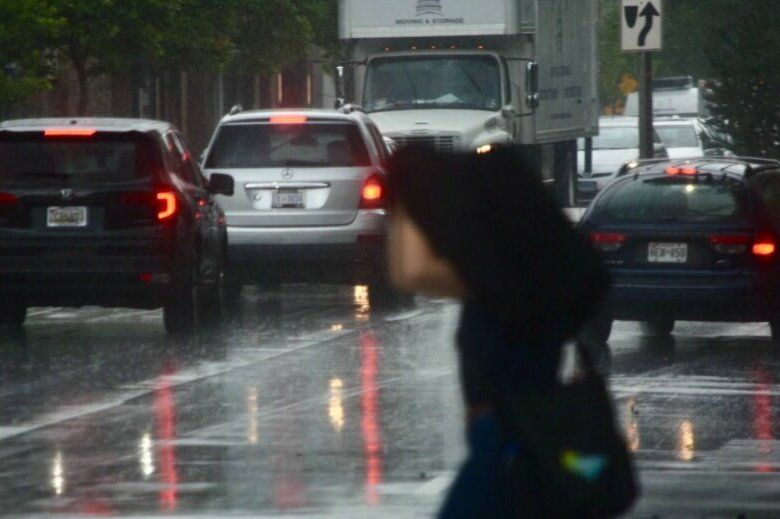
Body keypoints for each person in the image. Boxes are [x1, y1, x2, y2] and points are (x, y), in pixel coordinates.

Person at [385, 146, 610, 517]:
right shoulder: (506, 224)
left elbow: (408, 273)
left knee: (487, 487)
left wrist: (404, 215)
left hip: (502, 408)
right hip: (521, 397)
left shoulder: (484, 254)